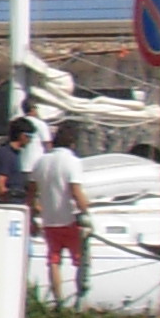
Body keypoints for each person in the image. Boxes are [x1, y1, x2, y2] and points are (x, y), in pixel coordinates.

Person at [31, 120, 92, 301]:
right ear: (72, 143)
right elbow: (75, 191)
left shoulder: (41, 162)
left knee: (54, 261)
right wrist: (86, 210)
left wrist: (34, 212)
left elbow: (32, 192)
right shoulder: (72, 162)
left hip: (49, 220)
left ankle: (58, 300)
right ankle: (80, 299)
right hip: (69, 219)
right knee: (81, 260)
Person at [0, 116, 40, 207]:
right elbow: (0, 186)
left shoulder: (17, 154)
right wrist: (15, 196)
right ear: (22, 136)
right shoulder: (6, 154)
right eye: (30, 137)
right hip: (10, 206)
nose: (30, 141)